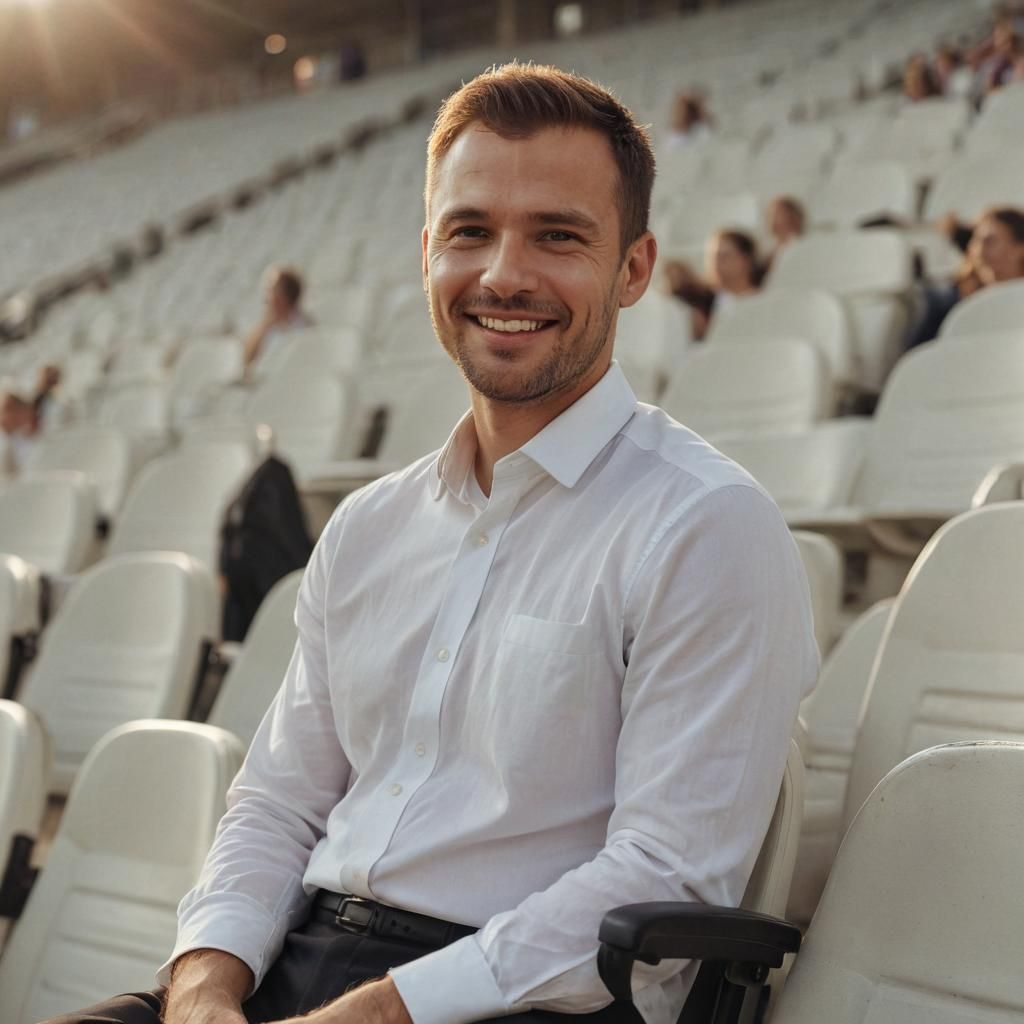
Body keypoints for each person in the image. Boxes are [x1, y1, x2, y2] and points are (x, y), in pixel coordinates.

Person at [49, 63, 817, 1024]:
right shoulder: (369, 525)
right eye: (470, 232)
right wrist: (204, 982)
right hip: (295, 963)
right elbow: (279, 803)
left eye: (558, 236)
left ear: (634, 269)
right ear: (426, 256)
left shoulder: (707, 525)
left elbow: (664, 882)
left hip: (517, 999)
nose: (503, 274)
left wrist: (383, 1011)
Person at [905, 206, 1024, 348]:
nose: (979, 251)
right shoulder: (946, 304)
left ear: (1020, 248)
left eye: (990, 241)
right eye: (976, 241)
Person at [243, 265, 314, 369]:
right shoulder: (266, 326)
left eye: (271, 290)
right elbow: (247, 359)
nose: (266, 296)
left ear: (285, 294)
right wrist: (263, 327)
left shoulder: (304, 327)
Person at [705, 228, 763, 322]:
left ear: (746, 260)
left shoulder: (762, 303)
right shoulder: (704, 305)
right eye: (714, 258)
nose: (716, 264)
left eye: (725, 257)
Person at [765, 195, 805, 268]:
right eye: (770, 215)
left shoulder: (800, 246)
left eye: (777, 214)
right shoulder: (770, 253)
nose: (772, 220)